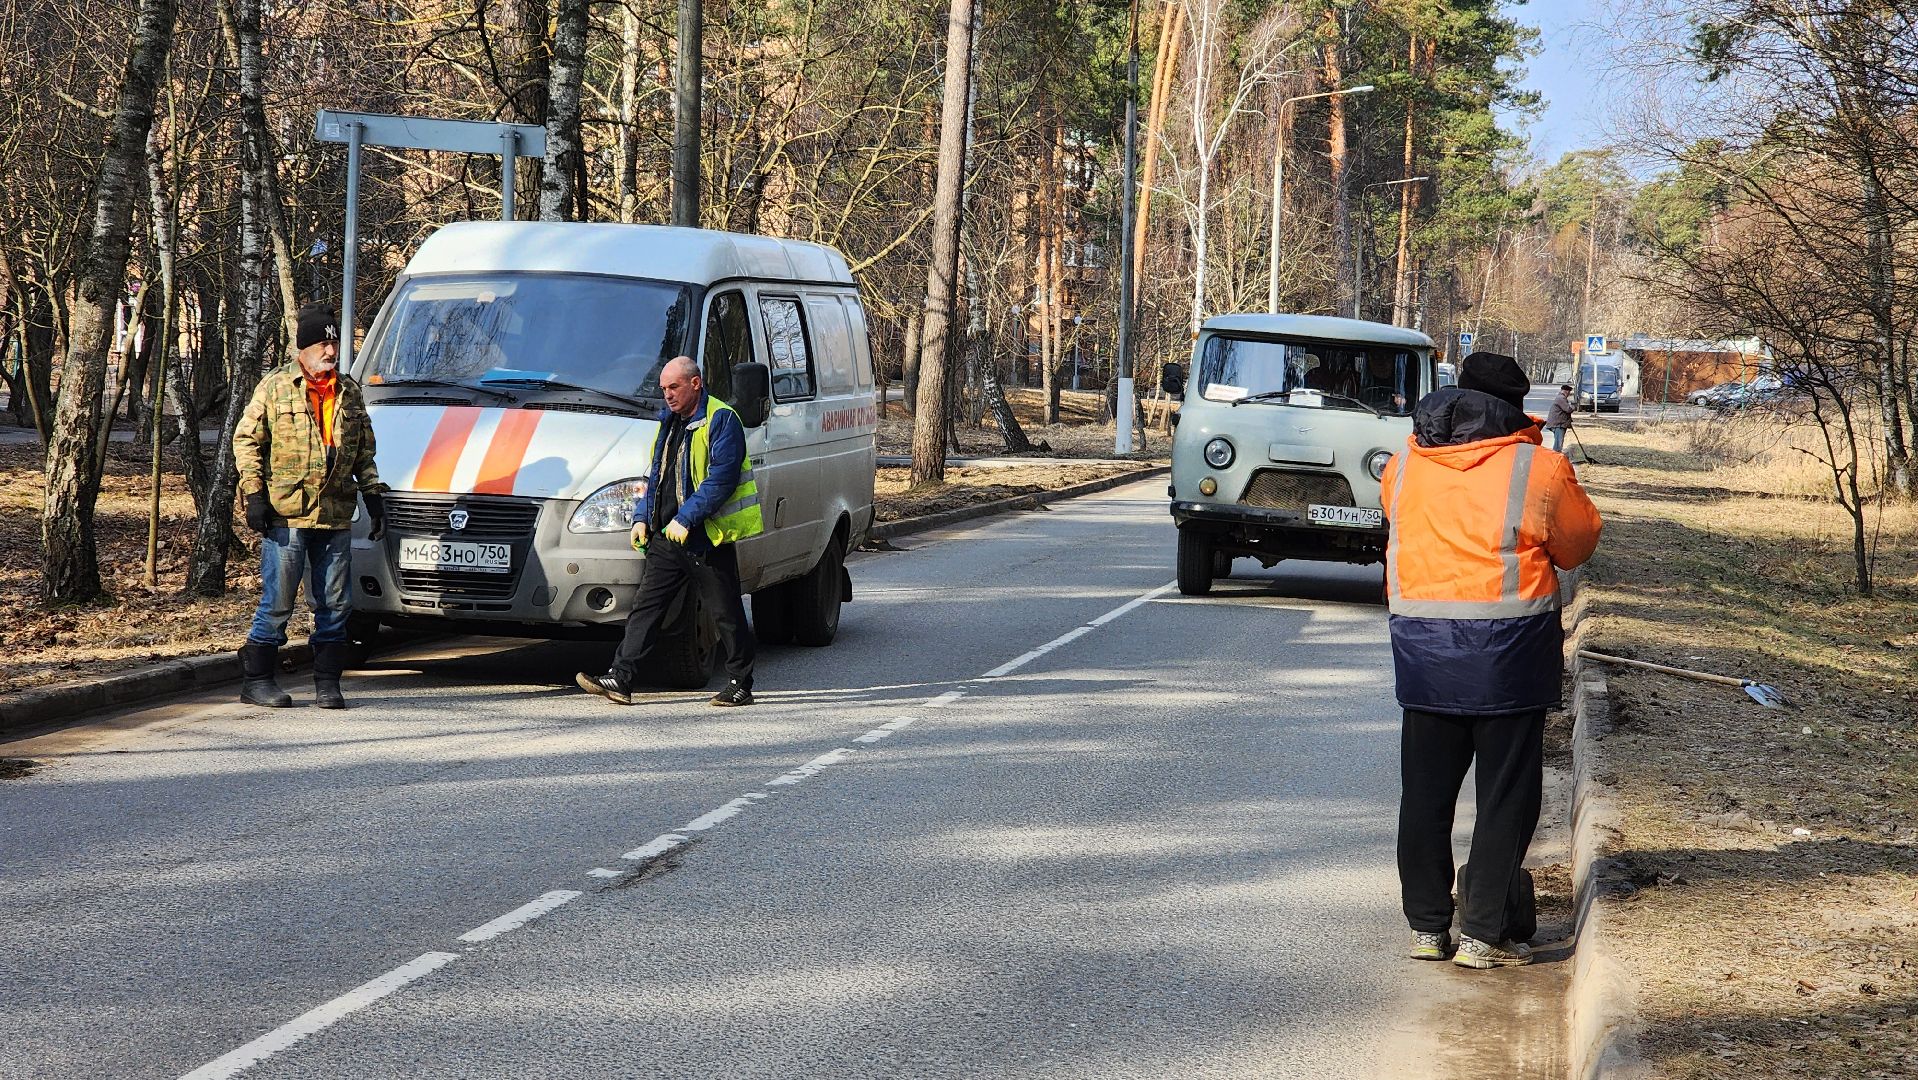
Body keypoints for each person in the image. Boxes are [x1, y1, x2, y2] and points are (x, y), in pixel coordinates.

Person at [1381, 351, 1602, 969]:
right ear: (1515, 406)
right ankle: (1482, 934)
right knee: (1506, 797)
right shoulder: (1539, 469)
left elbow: (1400, 524)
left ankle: (1427, 927)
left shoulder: (1403, 464)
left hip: (1424, 656)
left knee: (1424, 796)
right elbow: (1579, 542)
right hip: (1507, 659)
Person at [577, 356, 762, 707]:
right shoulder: (669, 422)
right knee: (646, 608)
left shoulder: (721, 419)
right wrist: (641, 517)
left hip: (705, 536)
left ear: (696, 383)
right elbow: (655, 476)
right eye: (663, 389)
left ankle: (740, 682)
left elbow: (721, 479)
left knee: (724, 612)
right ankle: (621, 677)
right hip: (667, 535)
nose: (668, 395)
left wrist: (687, 518)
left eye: (674, 387)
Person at [233, 305, 387, 709]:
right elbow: (246, 441)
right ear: (303, 348)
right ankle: (257, 680)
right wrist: (254, 494)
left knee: (335, 603)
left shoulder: (349, 391)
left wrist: (373, 494)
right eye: (323, 343)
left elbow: (363, 453)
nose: (331, 350)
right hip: (286, 514)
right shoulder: (275, 387)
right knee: (279, 600)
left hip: (334, 513)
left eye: (335, 342)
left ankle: (327, 682)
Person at [1544, 384, 1575, 453]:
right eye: (1569, 393)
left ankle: (1555, 457)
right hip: (1558, 425)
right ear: (1566, 392)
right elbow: (1568, 409)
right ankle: (1555, 459)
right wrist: (1573, 407)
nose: (1568, 395)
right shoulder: (1561, 398)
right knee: (1558, 446)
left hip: (1559, 424)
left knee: (1558, 444)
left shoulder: (1560, 397)